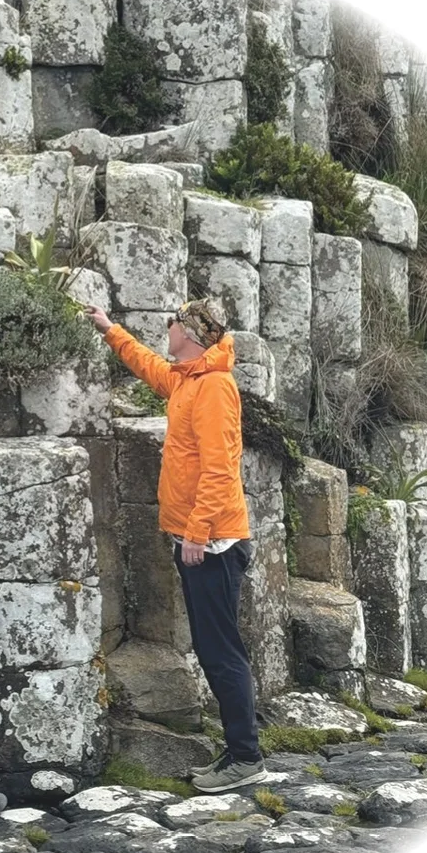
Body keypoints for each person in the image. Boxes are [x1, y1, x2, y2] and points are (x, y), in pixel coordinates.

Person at [84, 298, 268, 793]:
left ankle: (246, 757)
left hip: (214, 544)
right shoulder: (188, 379)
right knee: (213, 647)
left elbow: (220, 468)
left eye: (172, 323)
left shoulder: (214, 388)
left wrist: (197, 531)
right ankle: (239, 750)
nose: (166, 329)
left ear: (187, 333)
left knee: (220, 651)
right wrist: (110, 330)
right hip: (201, 538)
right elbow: (150, 367)